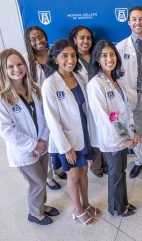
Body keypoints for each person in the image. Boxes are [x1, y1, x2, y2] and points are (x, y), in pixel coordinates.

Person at [42, 39, 101, 226]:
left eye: (73, 55)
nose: (70, 59)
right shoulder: (50, 84)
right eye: (64, 56)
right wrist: (66, 148)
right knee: (74, 175)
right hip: (67, 139)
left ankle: (86, 203)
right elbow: (52, 120)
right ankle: (77, 210)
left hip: (83, 133)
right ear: (55, 59)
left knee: (84, 171)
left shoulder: (79, 77)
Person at [0, 48, 59, 225]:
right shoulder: (3, 98)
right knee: (38, 183)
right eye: (10, 66)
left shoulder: (35, 89)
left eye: (19, 64)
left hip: (42, 144)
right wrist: (33, 145)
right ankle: (34, 213)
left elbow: (45, 117)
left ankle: (41, 205)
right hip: (24, 150)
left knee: (42, 178)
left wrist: (42, 140)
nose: (16, 69)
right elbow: (6, 130)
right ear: (3, 70)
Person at [87, 40, 140, 217]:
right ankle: (116, 208)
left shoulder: (116, 79)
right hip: (112, 139)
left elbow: (126, 109)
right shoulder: (96, 84)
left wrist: (132, 131)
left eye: (111, 54)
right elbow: (103, 118)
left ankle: (123, 202)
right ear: (97, 60)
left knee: (120, 171)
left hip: (124, 135)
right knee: (115, 173)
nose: (109, 59)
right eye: (104, 56)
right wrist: (123, 138)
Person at [24, 26, 66, 189]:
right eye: (33, 39)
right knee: (45, 141)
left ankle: (60, 168)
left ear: (46, 37)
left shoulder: (54, 54)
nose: (38, 41)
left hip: (58, 102)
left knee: (59, 136)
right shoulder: (27, 60)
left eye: (40, 37)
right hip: (39, 106)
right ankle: (48, 176)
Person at [116, 6, 142, 178]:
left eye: (141, 19)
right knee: (136, 129)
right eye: (134, 19)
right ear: (129, 22)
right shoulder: (120, 47)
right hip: (132, 95)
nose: (137, 22)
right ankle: (140, 159)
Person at [68, 25, 108, 178]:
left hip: (102, 101)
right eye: (82, 38)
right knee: (92, 136)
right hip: (84, 105)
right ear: (74, 40)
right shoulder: (72, 60)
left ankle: (106, 163)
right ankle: (97, 166)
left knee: (104, 132)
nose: (86, 41)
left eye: (88, 38)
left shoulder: (97, 56)